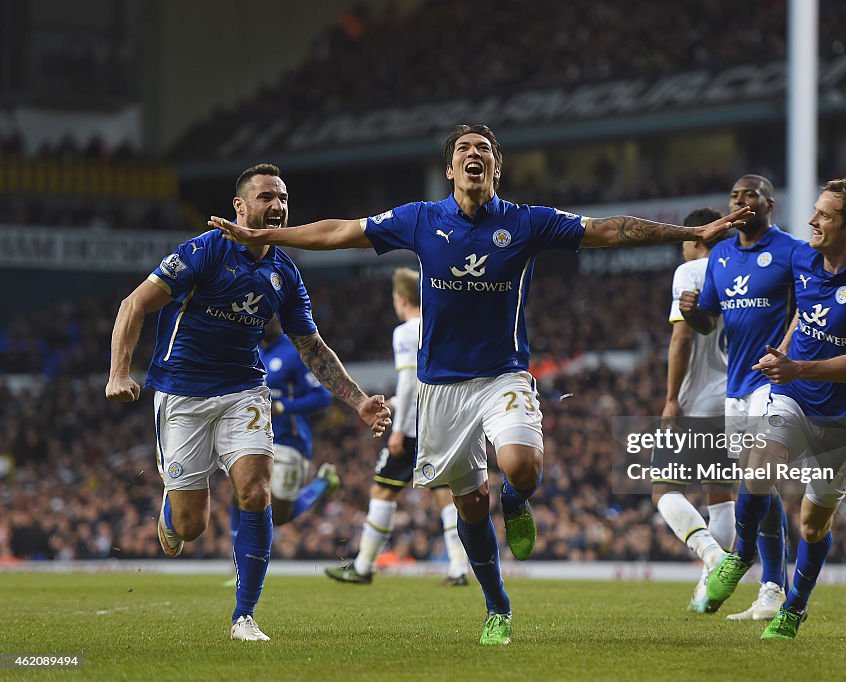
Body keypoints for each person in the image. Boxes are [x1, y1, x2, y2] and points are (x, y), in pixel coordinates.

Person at [211, 124, 752, 645]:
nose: (476, 154)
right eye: (465, 148)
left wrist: (692, 232)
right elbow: (339, 231)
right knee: (469, 505)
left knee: (522, 465)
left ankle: (515, 500)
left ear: (496, 166)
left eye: (485, 149)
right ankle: (497, 606)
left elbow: (608, 230)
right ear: (451, 168)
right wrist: (267, 235)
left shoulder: (526, 222)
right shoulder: (420, 219)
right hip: (442, 388)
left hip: (502, 375)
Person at [106, 163, 391, 642]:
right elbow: (133, 304)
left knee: (256, 492)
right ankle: (173, 513)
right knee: (193, 526)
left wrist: (358, 401)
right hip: (182, 393)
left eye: (282, 198)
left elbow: (311, 347)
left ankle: (245, 617)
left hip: (245, 391)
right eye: (266, 197)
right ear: (240, 206)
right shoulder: (202, 253)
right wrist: (118, 373)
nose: (277, 205)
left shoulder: (284, 271)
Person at [705, 179, 846, 640]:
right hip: (792, 395)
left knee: (813, 525)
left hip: (842, 416)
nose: (812, 221)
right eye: (814, 212)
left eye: (824, 215)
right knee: (758, 466)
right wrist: (785, 353)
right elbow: (801, 311)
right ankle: (742, 554)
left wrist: (798, 366)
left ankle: (795, 607)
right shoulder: (805, 258)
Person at [679, 175, 802, 618]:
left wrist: (787, 352)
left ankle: (757, 570)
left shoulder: (791, 251)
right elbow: (709, 321)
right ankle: (771, 590)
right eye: (734, 196)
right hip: (736, 388)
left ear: (770, 205)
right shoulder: (723, 255)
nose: (741, 201)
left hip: (774, 383)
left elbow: (809, 306)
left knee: (759, 480)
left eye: (750, 195)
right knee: (761, 491)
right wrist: (693, 314)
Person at [324, 267, 469, 586]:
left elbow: (409, 382)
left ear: (401, 299)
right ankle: (459, 569)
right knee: (445, 493)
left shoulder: (405, 332)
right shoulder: (439, 326)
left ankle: (363, 567)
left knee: (383, 490)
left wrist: (399, 429)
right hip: (444, 423)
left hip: (415, 427)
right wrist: (395, 402)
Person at [651, 207, 733, 609]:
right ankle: (709, 588)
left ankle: (714, 557)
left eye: (685, 240)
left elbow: (682, 339)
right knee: (721, 495)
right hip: (738, 396)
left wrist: (670, 398)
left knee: (663, 488)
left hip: (697, 397)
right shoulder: (739, 270)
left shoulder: (692, 272)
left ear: (698, 240)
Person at [226, 315, 340, 545]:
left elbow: (322, 397)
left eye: (265, 317)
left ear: (277, 319)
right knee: (240, 497)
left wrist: (282, 406)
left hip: (289, 442)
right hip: (255, 440)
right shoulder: (251, 351)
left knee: (277, 516)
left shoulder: (295, 353)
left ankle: (322, 482)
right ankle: (239, 564)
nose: (259, 322)